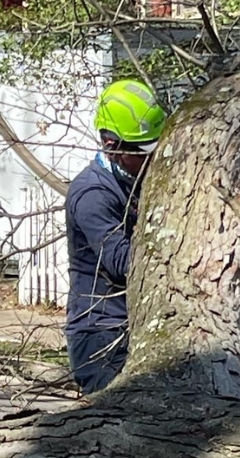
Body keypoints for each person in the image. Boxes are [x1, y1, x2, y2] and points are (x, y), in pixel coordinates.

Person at [64, 79, 167, 394]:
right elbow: (124, 261)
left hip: (132, 325)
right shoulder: (92, 193)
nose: (154, 159)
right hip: (101, 335)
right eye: (145, 151)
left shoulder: (136, 179)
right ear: (112, 147)